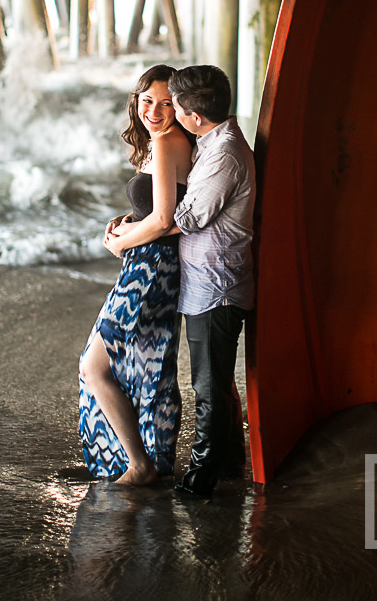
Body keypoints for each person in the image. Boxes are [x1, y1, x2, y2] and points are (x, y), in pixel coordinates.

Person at [78, 64, 192, 485]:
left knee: (96, 367)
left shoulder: (166, 143)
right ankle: (142, 460)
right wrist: (128, 220)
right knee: (144, 364)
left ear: (180, 107)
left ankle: (139, 464)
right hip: (151, 266)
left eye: (166, 104)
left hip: (152, 269)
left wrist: (121, 241)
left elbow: (163, 220)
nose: (155, 112)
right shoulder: (163, 143)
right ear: (136, 100)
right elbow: (163, 207)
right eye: (147, 101)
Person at [167, 65, 256, 497]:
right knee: (215, 382)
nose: (172, 113)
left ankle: (199, 480)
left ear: (194, 117)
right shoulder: (213, 140)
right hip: (212, 283)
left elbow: (186, 218)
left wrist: (132, 231)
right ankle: (229, 465)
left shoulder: (223, 155)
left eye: (176, 107)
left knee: (208, 386)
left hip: (215, 288)